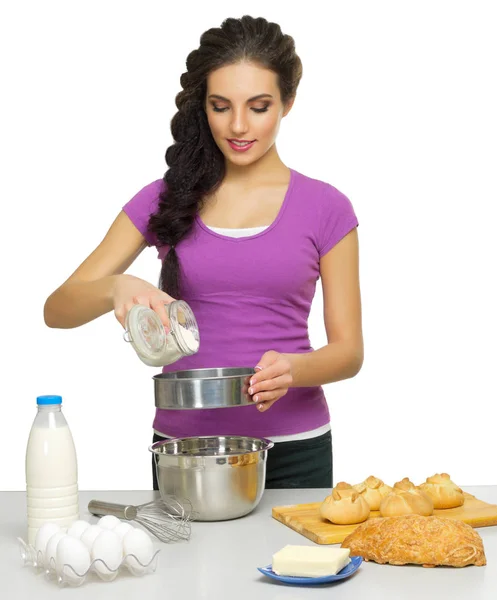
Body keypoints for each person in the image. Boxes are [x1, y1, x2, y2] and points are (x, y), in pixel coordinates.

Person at [44, 15, 364, 490]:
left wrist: (294, 369)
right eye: (221, 106)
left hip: (297, 448)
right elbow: (58, 310)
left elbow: (349, 352)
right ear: (203, 106)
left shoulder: (326, 208)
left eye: (259, 107)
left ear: (288, 103)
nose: (238, 126)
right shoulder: (164, 199)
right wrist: (116, 286)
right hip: (185, 454)